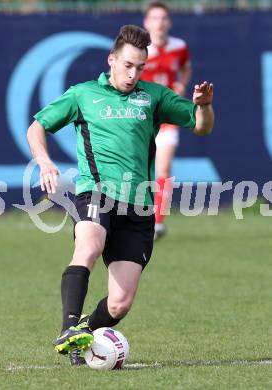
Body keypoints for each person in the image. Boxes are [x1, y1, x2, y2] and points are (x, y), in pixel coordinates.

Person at [27, 24, 214, 366]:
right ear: (111, 60)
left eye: (140, 67)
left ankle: (86, 331)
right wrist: (44, 161)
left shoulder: (153, 97)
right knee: (88, 247)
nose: (133, 74)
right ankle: (69, 328)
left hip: (139, 209)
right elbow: (37, 126)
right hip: (96, 193)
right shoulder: (82, 94)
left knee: (119, 304)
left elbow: (202, 126)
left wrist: (203, 106)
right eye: (127, 65)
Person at [141, 1, 192, 239]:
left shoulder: (179, 47)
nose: (159, 23)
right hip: (141, 118)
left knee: (163, 167)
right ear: (146, 23)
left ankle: (157, 222)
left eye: (163, 18)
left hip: (167, 118)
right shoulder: (140, 50)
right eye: (154, 18)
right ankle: (130, 217)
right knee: (139, 170)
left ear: (169, 22)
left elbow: (185, 68)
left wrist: (181, 84)